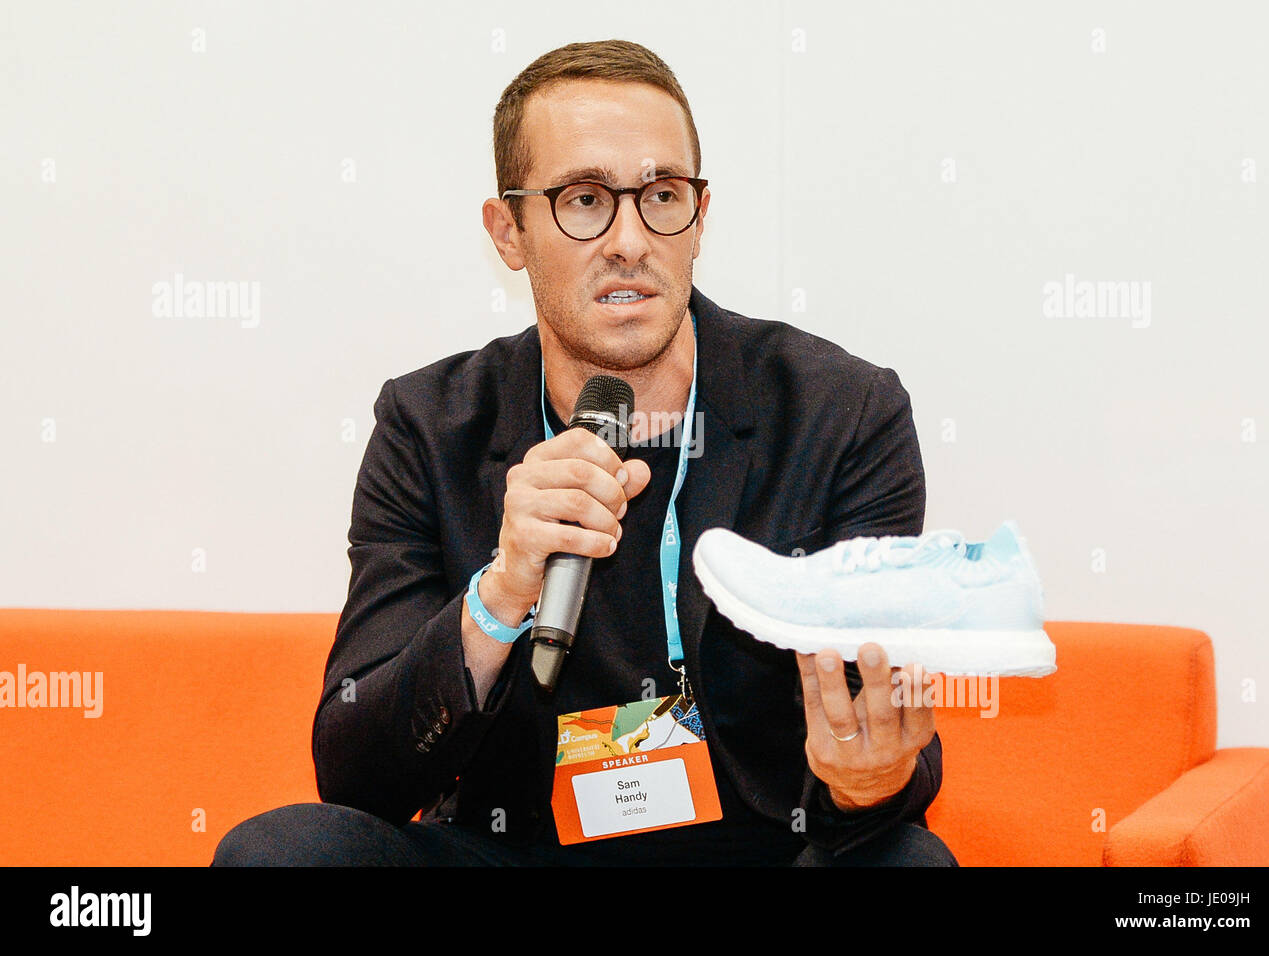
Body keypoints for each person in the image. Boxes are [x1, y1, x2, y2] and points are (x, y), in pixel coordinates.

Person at [213, 39, 956, 867]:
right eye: (585, 199)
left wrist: (866, 780)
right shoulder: (429, 426)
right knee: (283, 854)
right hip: (519, 846)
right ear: (509, 231)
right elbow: (357, 775)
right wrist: (499, 595)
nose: (629, 240)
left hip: (759, 849)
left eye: (662, 195)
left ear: (700, 219)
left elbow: (886, 746)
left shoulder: (839, 413)